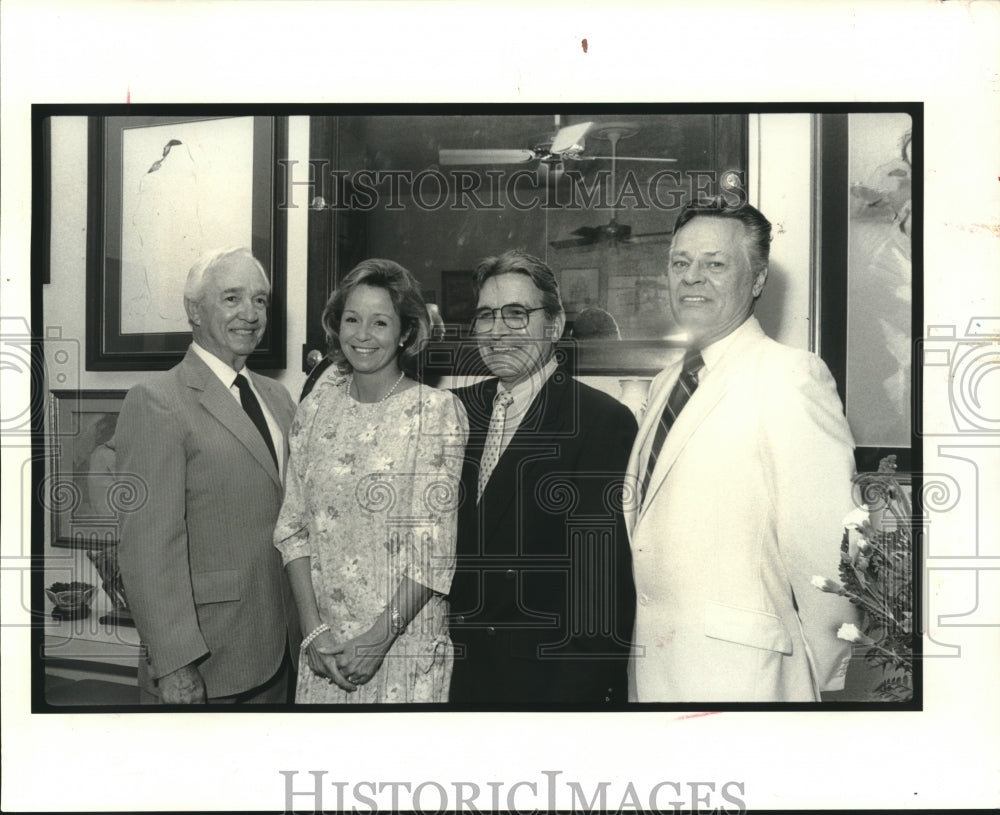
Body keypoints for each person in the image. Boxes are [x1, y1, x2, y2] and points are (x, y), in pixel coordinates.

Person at [626, 202, 858, 702]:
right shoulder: (667, 382)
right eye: (680, 263)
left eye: (715, 264)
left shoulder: (790, 375)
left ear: (756, 279)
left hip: (747, 679)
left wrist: (811, 681)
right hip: (657, 673)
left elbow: (826, 551)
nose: (692, 278)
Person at [448, 250, 637, 706]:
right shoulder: (455, 409)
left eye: (517, 314)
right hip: (456, 680)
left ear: (553, 326)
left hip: (544, 689)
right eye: (486, 316)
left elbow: (601, 593)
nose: (497, 331)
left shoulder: (599, 420)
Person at [274, 259, 467, 703]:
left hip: (402, 648)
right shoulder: (315, 411)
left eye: (380, 322)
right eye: (352, 319)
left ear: (405, 332)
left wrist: (377, 640)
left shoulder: (435, 413)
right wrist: (313, 631)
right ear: (336, 325)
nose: (363, 335)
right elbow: (292, 529)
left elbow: (433, 548)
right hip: (325, 651)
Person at [116, 247, 298, 704]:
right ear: (194, 310)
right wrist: (175, 664)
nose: (250, 314)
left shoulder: (280, 399)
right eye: (232, 298)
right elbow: (145, 548)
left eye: (260, 300)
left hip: (284, 651)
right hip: (205, 660)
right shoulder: (157, 401)